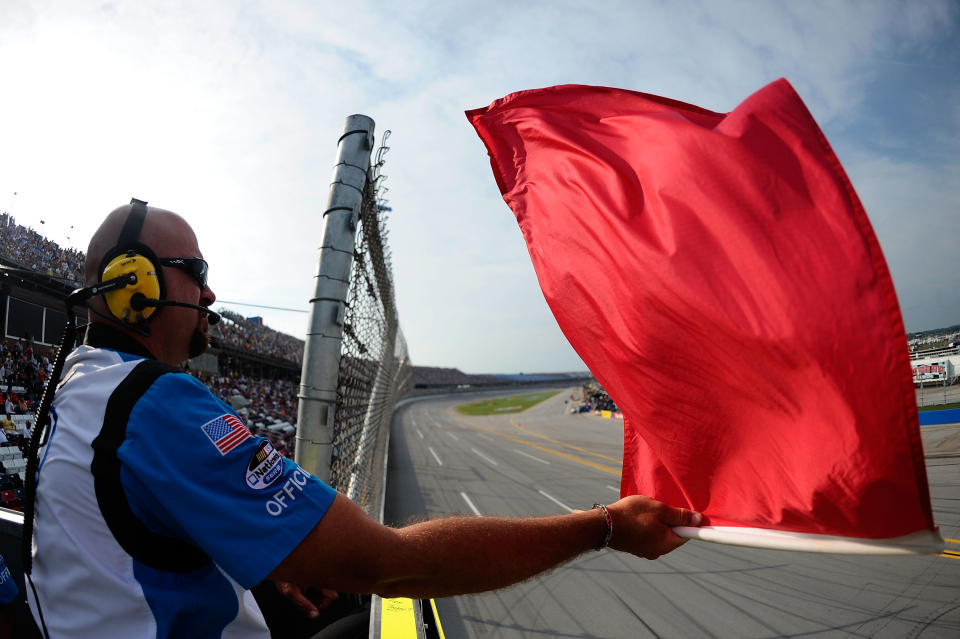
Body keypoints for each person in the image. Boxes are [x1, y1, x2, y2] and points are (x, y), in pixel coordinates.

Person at [27, 201, 701, 638]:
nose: (208, 293)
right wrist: (604, 526)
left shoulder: (76, 380)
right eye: (195, 272)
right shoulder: (157, 405)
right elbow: (393, 563)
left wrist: (248, 554)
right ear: (134, 284)